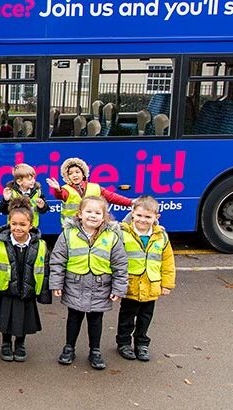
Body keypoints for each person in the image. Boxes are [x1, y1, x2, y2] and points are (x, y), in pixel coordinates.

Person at [49, 195, 128, 370]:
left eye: (97, 212)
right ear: (80, 214)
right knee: (74, 318)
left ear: (104, 216)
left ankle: (95, 351)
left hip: (100, 286)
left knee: (95, 320)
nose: (93, 216)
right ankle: (69, 347)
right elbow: (57, 260)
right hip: (74, 284)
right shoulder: (68, 234)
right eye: (89, 211)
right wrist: (56, 283)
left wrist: (118, 288)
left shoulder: (112, 237)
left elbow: (120, 264)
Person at [0, 199, 49, 362]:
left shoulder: (40, 245)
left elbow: (45, 270)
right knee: (5, 319)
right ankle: (6, 343)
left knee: (24, 320)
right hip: (6, 290)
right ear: (9, 223)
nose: (17, 228)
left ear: (31, 225)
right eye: (14, 224)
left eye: (22, 224)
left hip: (27, 290)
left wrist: (43, 293)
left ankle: (20, 344)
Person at [116, 196, 176, 362]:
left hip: (151, 287)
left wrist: (167, 284)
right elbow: (115, 259)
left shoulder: (161, 236)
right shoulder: (122, 233)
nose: (143, 220)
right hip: (130, 286)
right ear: (132, 214)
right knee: (126, 317)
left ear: (156, 217)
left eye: (148, 217)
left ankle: (142, 344)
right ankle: (124, 343)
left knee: (145, 318)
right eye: (140, 216)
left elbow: (168, 261)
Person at [46, 157, 133, 226]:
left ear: (83, 174)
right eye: (70, 173)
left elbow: (112, 197)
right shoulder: (65, 189)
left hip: (93, 225)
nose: (74, 175)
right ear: (67, 176)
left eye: (77, 172)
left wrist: (130, 202)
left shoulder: (95, 187)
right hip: (72, 227)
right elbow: (61, 195)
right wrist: (57, 189)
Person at [0, 163, 49, 227]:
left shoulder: (37, 192)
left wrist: (42, 206)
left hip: (32, 228)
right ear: (19, 182)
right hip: (16, 229)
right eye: (30, 179)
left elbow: (44, 210)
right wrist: (5, 200)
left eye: (34, 178)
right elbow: (4, 211)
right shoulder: (11, 193)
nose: (33, 181)